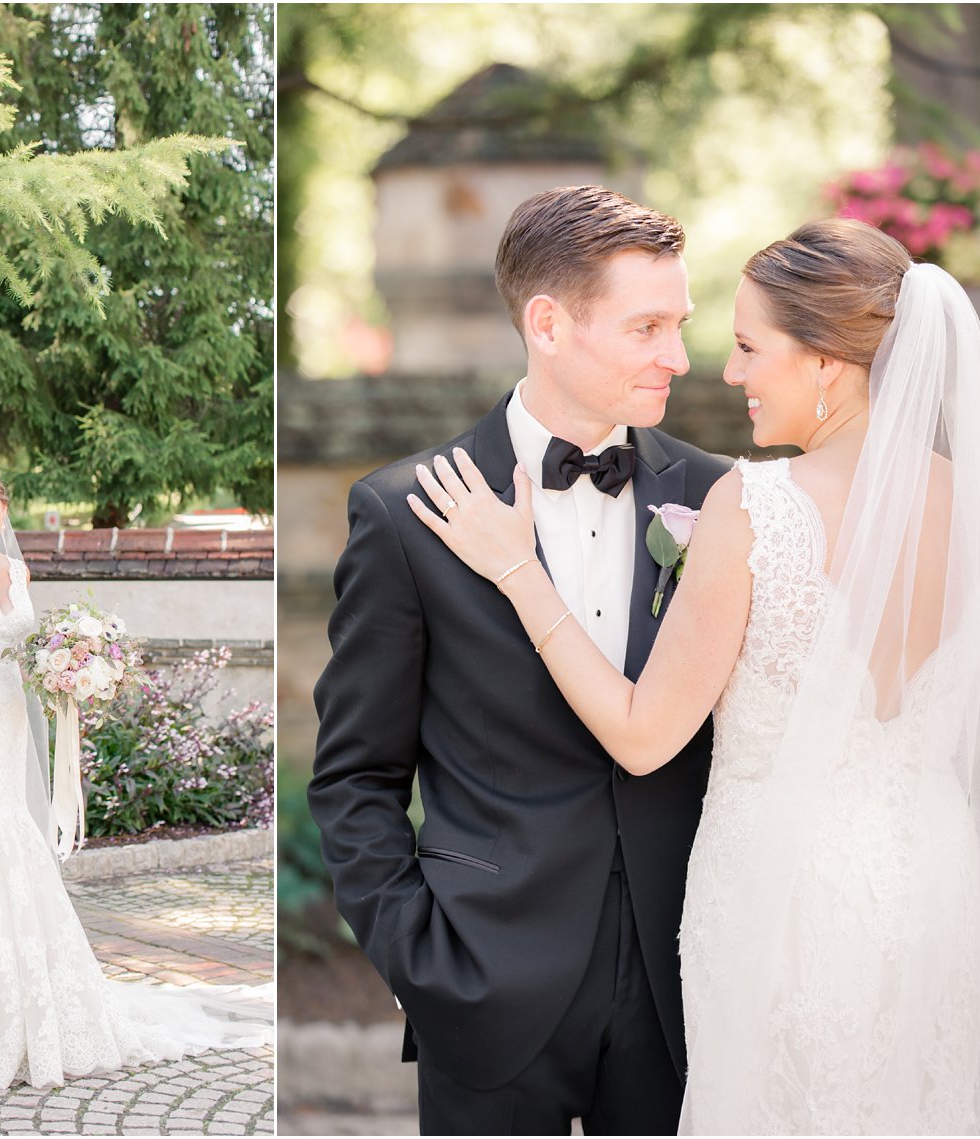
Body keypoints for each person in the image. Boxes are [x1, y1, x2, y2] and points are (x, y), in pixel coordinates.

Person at [411, 218, 980, 1135]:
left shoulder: (756, 505)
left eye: (748, 347)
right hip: (934, 887)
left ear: (825, 362)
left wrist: (517, 570)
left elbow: (642, 732)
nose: (728, 372)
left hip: (786, 902)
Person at [308, 186, 731, 1135]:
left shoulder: (720, 499)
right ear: (548, 322)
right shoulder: (404, 512)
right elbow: (355, 777)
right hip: (484, 990)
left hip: (684, 993)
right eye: (647, 326)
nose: (679, 355)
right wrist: (425, 959)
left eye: (681, 324)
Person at [0, 466, 270, 1097]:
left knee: (6, 836)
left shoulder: (19, 572)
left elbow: (27, 658)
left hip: (7, 718)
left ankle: (22, 996)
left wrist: (74, 672)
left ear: (5, 509)